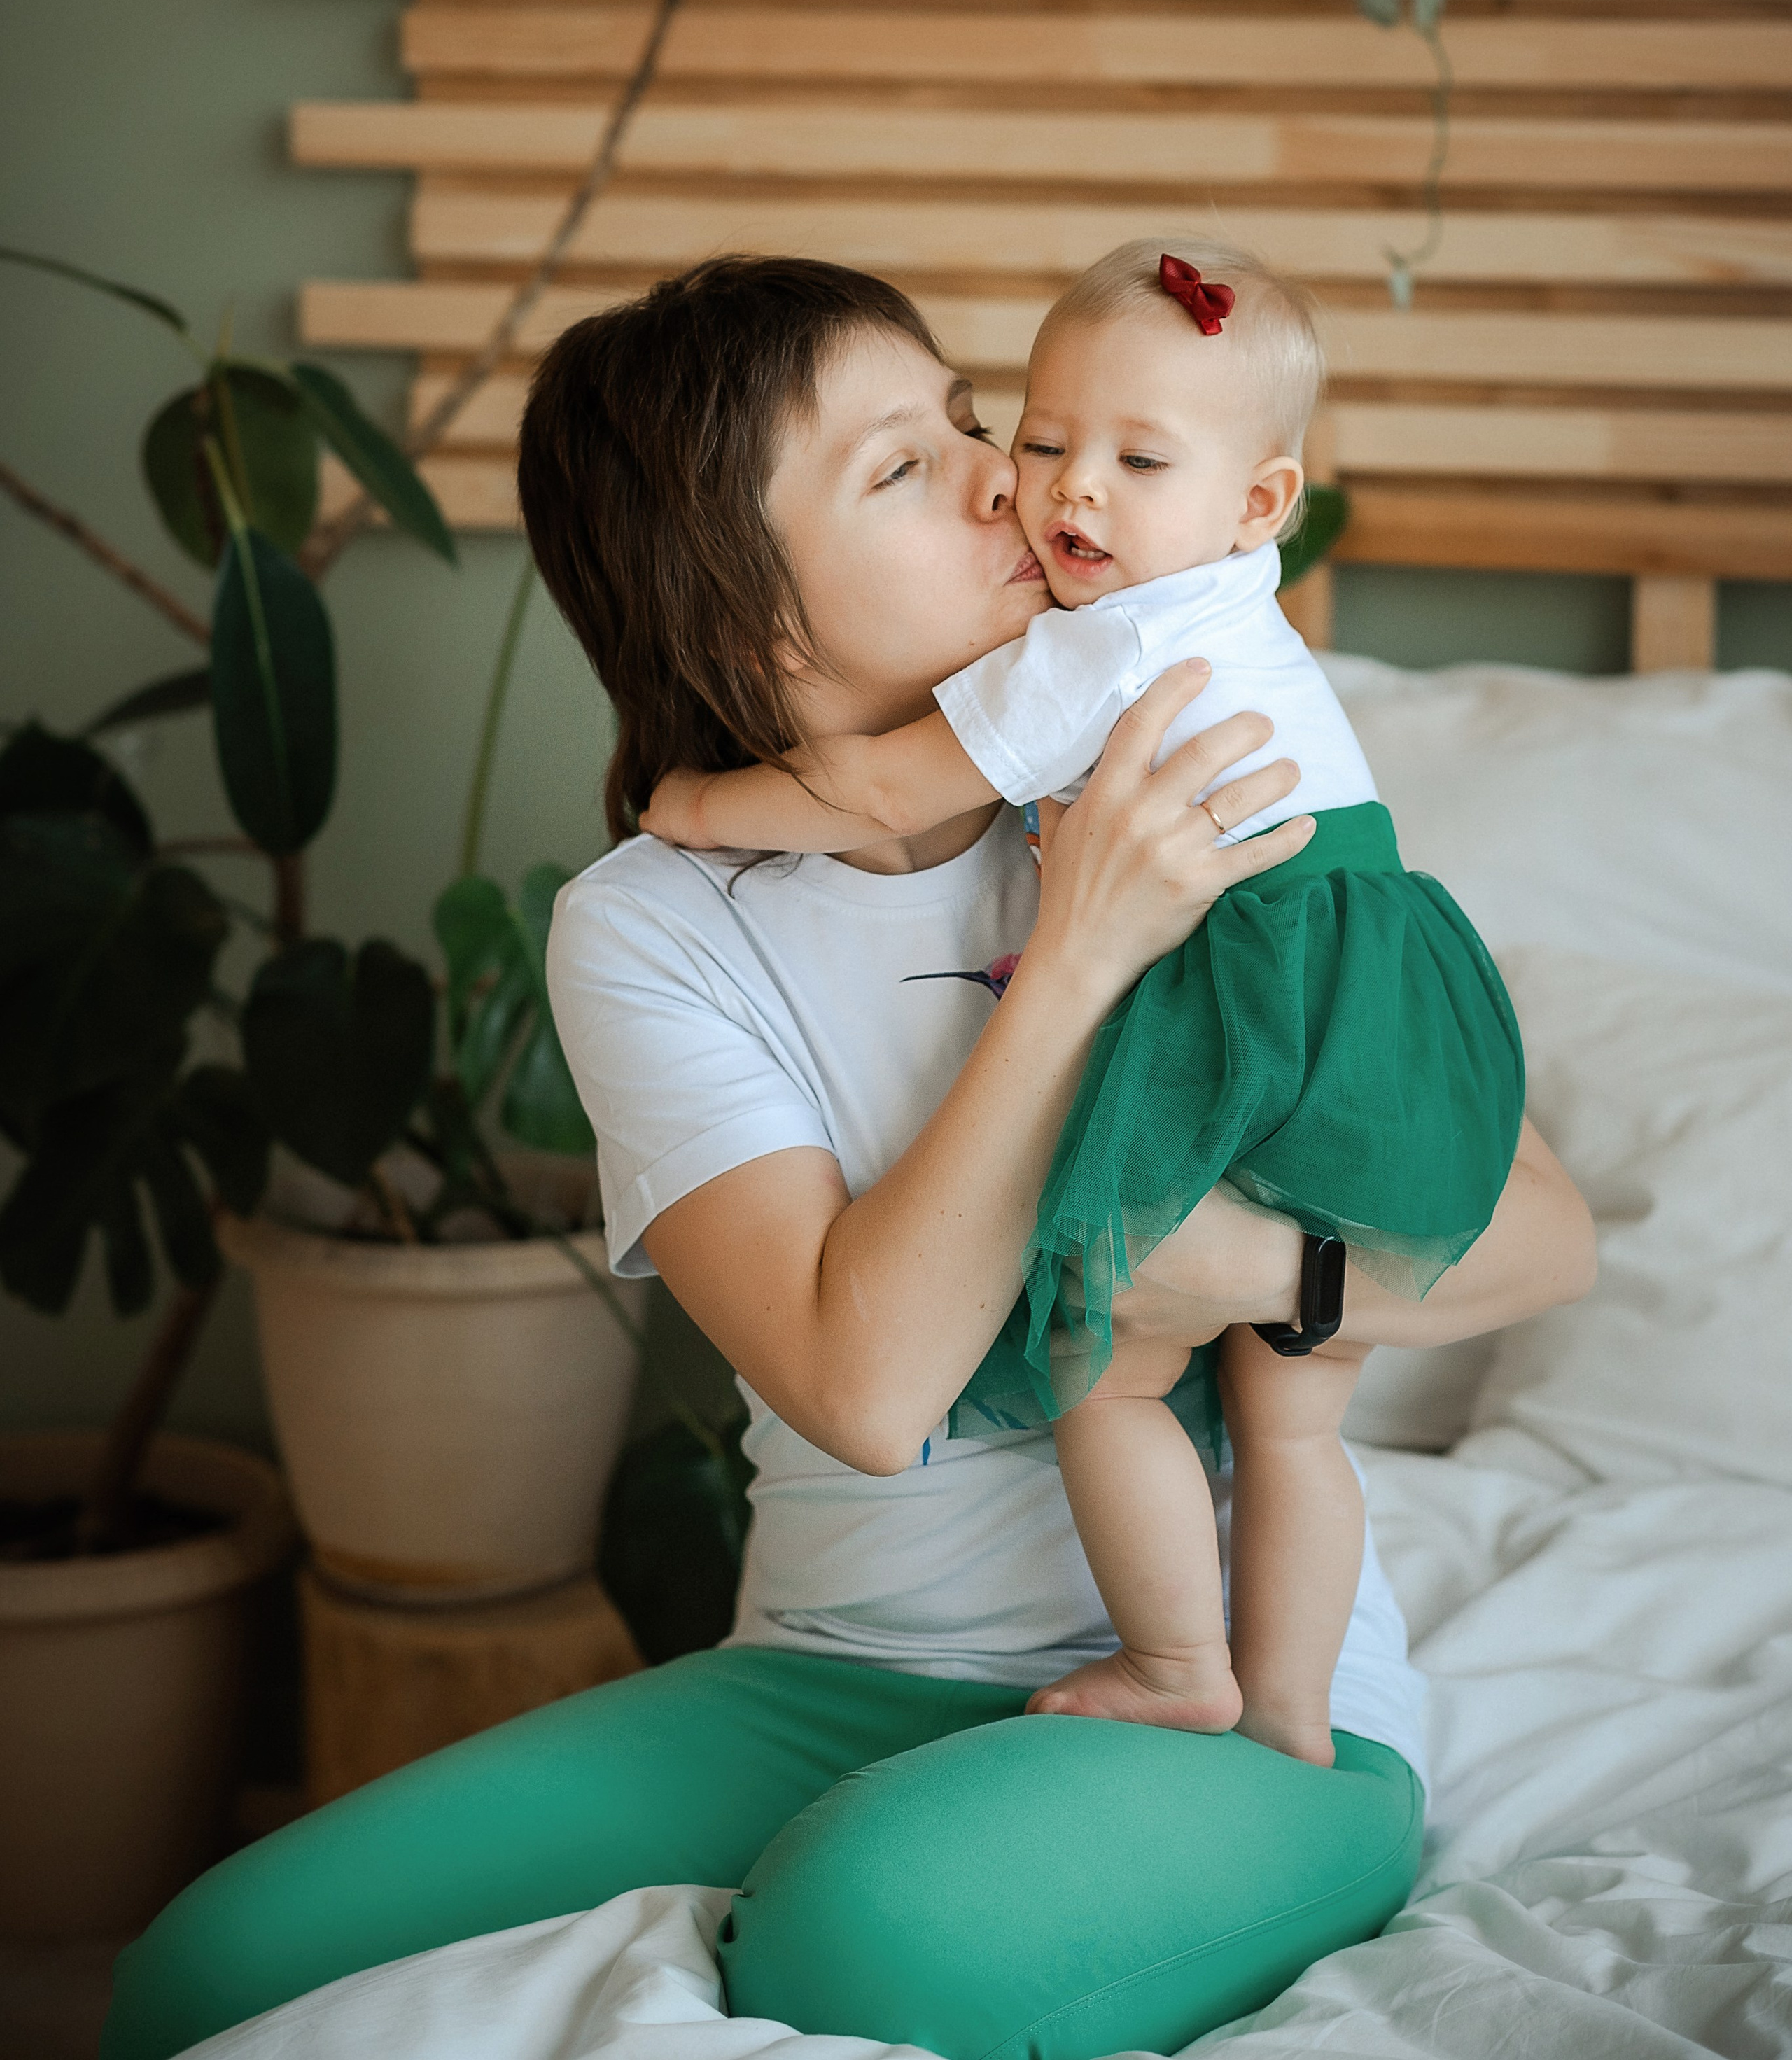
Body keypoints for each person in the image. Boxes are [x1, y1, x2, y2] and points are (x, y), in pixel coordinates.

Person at [99, 255, 1595, 2060]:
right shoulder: (652, 927)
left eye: (969, 422)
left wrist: (1265, 1275)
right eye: (903, 468)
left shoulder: (1184, 745)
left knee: (867, 1947)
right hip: (828, 1667)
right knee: (212, 1972)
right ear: (752, 632)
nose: (1006, 478)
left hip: (1259, 1702)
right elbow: (866, 1389)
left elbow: (1541, 1239)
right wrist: (1080, 961)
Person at [643, 237, 1525, 1773]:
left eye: (1125, 457)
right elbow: (859, 1393)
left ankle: (1182, 1660)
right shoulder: (1230, 603)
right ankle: (1294, 1714)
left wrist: (703, 808)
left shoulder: (1092, 655)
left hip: (1244, 992)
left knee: (1102, 1357)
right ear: (745, 606)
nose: (1044, 492)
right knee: (1299, 1428)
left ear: (1259, 502)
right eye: (1036, 439)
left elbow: (864, 788)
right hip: (1366, 995)